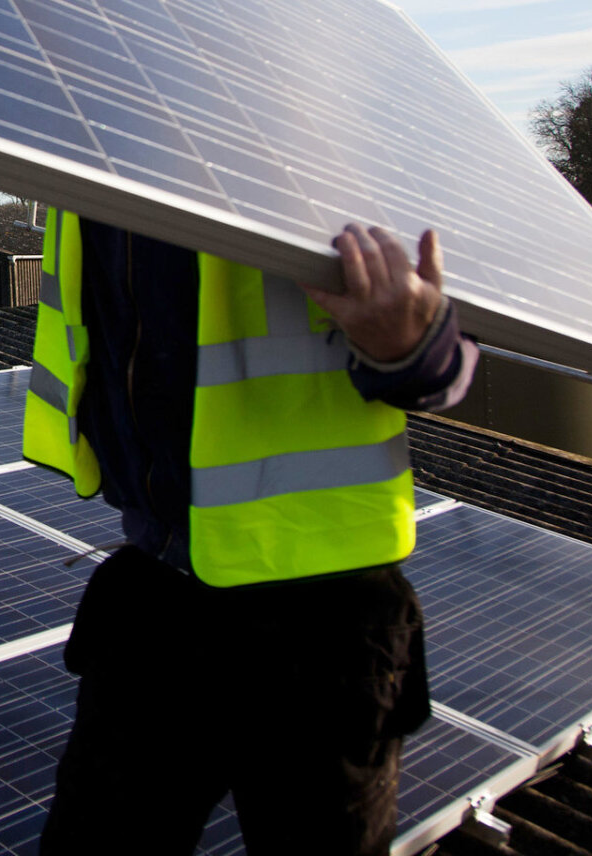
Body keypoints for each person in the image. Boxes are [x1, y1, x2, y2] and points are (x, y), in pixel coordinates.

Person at [26, 214, 477, 856]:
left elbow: (463, 325)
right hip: (154, 592)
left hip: (323, 621)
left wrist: (415, 346)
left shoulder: (336, 130)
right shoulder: (87, 134)